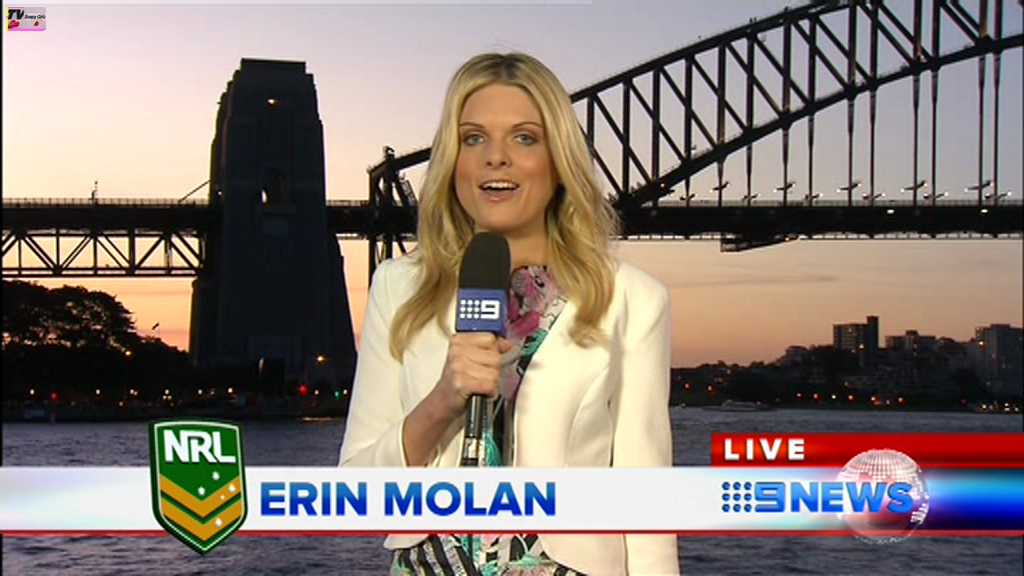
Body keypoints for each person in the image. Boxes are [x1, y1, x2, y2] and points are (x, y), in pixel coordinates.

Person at [339, 51, 678, 576]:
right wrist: (441, 402)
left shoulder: (633, 299)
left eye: (524, 138)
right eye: (474, 138)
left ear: (558, 161)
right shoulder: (399, 287)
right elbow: (354, 492)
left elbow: (646, 500)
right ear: (453, 161)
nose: (495, 158)